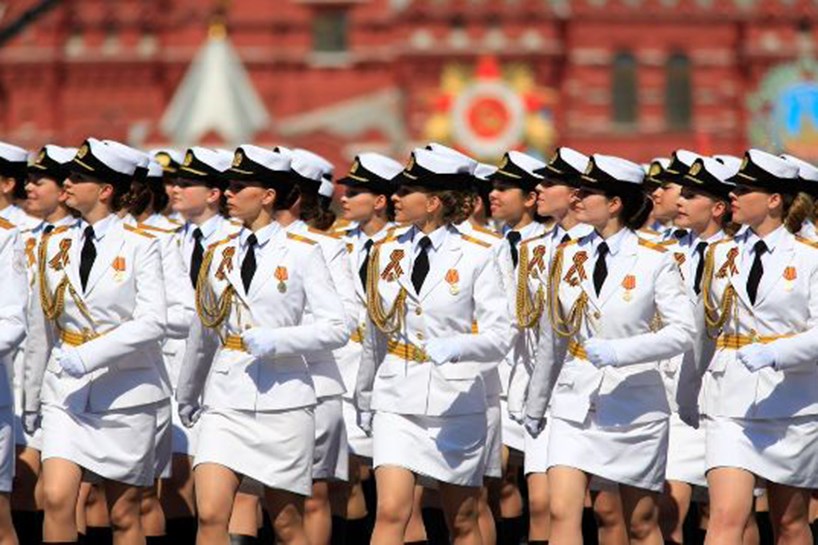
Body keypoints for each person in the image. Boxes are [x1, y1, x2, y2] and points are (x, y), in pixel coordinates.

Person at [175, 145, 349, 545]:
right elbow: (204, 331)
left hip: (284, 402)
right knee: (211, 515)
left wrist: (279, 340)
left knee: (286, 524)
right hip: (226, 398)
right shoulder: (218, 252)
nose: (229, 193)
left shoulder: (304, 252)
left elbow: (337, 328)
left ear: (268, 195)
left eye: (239, 186)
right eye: (229, 185)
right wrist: (188, 392)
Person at [524, 153, 695, 545]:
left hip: (634, 406)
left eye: (587, 193)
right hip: (574, 402)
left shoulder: (655, 260)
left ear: (615, 203)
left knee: (641, 524)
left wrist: (621, 352)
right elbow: (553, 336)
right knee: (560, 511)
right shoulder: (566, 256)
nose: (577, 198)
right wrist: (536, 403)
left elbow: (682, 332)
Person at [355, 147, 512, 545]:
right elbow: (376, 332)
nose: (395, 197)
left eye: (406, 191)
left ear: (433, 202)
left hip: (455, 400)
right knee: (391, 510)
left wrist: (457, 347)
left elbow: (501, 334)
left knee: (461, 519)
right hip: (397, 396)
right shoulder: (386, 249)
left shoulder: (482, 251)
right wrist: (365, 394)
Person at [25, 137, 168, 545]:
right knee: (56, 498)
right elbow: (41, 326)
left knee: (123, 513)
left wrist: (90, 355)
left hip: (126, 393)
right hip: (65, 392)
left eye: (77, 177)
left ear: (105, 190)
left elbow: (153, 321)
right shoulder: (54, 244)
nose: (66, 183)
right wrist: (32, 396)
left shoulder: (142, 244)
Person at [700, 150, 818, 545]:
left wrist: (776, 353)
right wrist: (689, 392)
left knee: (789, 523)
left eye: (744, 190)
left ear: (774, 200)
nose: (733, 196)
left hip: (791, 402)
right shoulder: (720, 253)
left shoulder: (809, 257)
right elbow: (705, 329)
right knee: (725, 517)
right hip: (729, 402)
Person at [508, 147, 594, 545]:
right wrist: (522, 389)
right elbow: (521, 326)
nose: (538, 189)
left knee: (608, 509)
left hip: (592, 386)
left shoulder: (598, 248)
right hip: (544, 387)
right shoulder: (533, 247)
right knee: (545, 503)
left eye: (550, 183)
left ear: (575, 194)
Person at [657, 156, 738, 545]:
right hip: (675, 390)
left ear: (718, 208)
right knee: (667, 508)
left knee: (731, 514)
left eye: (691, 195)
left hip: (726, 391)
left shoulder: (740, 253)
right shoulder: (663, 249)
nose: (680, 201)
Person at [167, 146, 237, 545]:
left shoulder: (235, 240)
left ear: (213, 193)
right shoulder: (166, 240)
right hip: (173, 366)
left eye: (186, 183)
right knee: (174, 483)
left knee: (220, 489)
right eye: (175, 182)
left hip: (223, 369)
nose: (175, 189)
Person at [334, 152, 404, 545]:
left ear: (379, 201)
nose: (344, 198)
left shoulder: (403, 245)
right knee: (346, 476)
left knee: (396, 481)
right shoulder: (335, 243)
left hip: (391, 369)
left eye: (354, 192)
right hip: (345, 369)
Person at [14, 145, 78, 545]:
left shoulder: (77, 241)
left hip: (61, 374)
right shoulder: (21, 236)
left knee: (59, 492)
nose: (30, 187)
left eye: (41, 181)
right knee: (23, 483)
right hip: (16, 369)